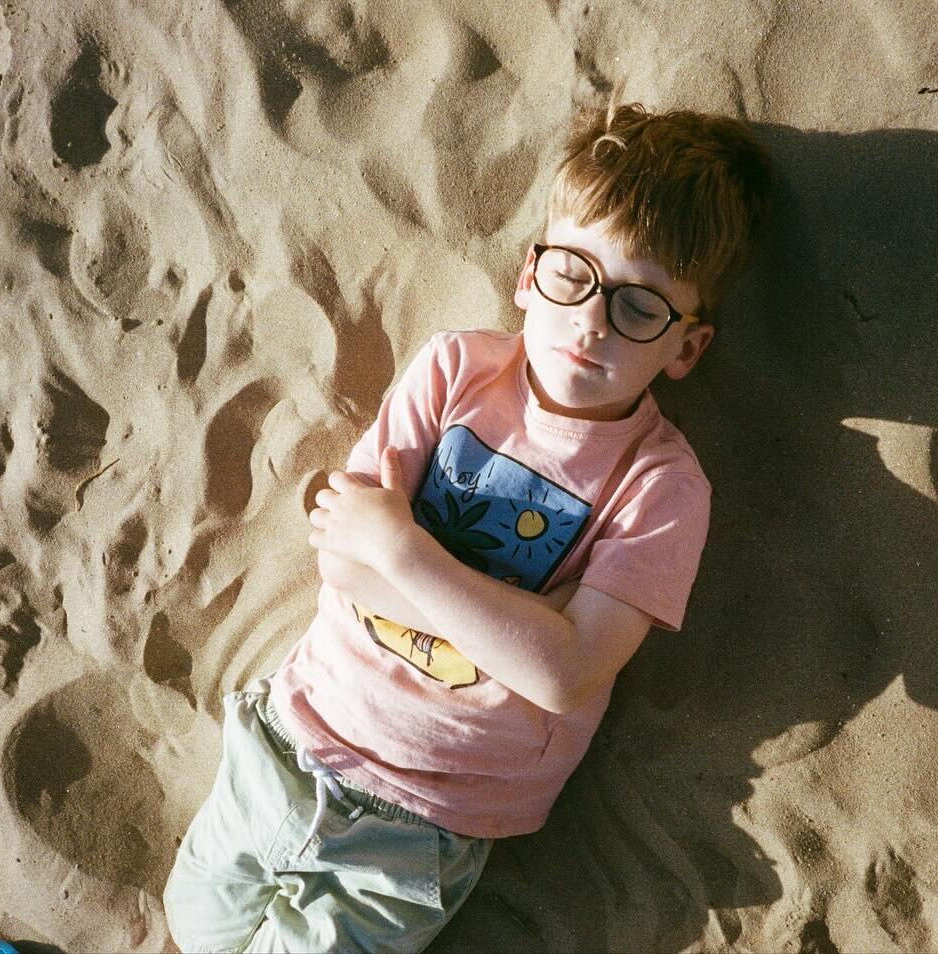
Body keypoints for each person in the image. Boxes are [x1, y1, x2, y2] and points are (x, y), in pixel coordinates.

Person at [163, 101, 771, 952]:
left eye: (640, 306)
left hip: (422, 826)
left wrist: (406, 548)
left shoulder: (661, 488)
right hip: (288, 737)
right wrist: (517, 625)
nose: (592, 319)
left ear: (687, 347)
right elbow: (344, 556)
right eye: (573, 274)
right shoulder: (455, 369)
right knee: (189, 928)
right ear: (530, 275)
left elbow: (563, 674)